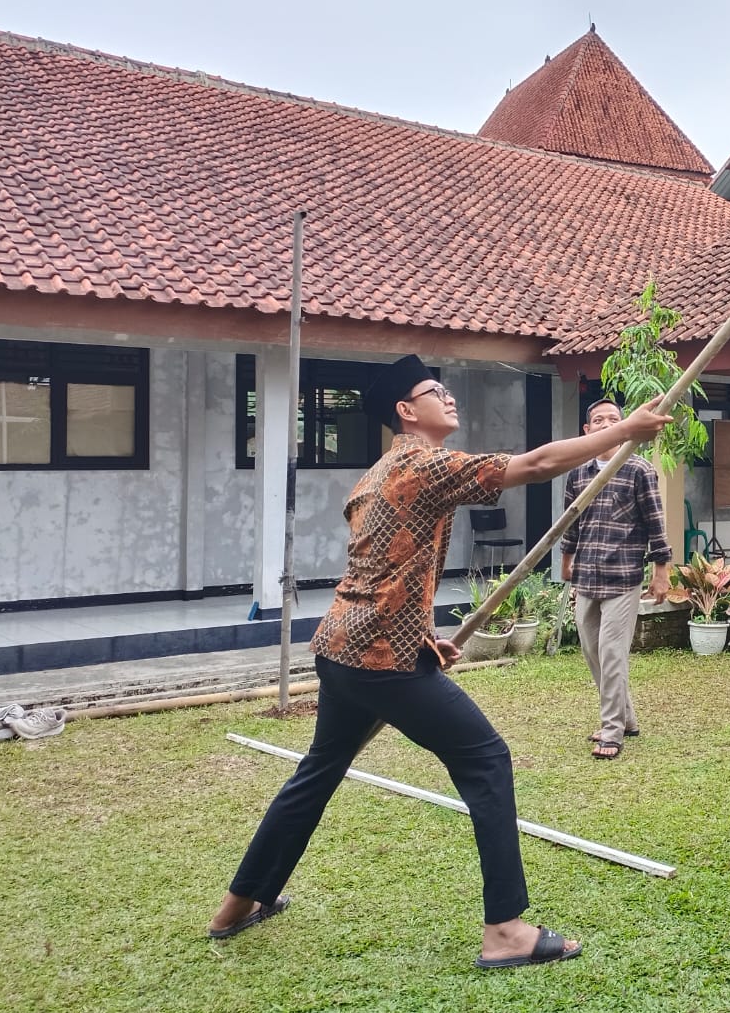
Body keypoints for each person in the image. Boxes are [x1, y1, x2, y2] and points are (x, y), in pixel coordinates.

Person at [208, 355, 671, 969]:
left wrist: (420, 634)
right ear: (406, 410)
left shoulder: (376, 476)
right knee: (486, 759)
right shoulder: (421, 464)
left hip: (343, 648)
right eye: (435, 391)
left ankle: (239, 904)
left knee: (317, 773)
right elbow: (532, 465)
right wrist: (623, 432)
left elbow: (385, 568)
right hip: (378, 659)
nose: (449, 398)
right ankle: (505, 931)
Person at [560, 398, 673, 760]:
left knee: (612, 655)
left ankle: (612, 731)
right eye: (598, 420)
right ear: (587, 430)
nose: (606, 423)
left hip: (623, 577)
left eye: (614, 418)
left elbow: (656, 523)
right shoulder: (577, 474)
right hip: (587, 576)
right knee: (593, 652)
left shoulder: (639, 470)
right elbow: (570, 522)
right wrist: (566, 560)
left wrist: (661, 571)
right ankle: (627, 718)